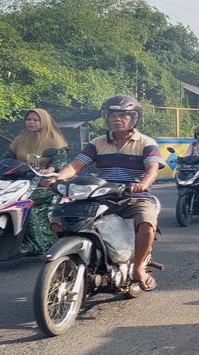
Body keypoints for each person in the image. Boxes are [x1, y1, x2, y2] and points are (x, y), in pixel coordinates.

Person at [44, 95, 164, 291]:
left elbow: (152, 169)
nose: (118, 118)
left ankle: (139, 267)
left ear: (134, 118)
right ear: (106, 118)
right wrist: (58, 178)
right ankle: (67, 262)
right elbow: (76, 165)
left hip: (133, 196)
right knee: (60, 219)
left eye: (124, 115)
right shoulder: (97, 142)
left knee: (146, 223)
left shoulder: (145, 142)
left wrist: (142, 184)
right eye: (112, 114)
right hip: (100, 195)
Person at [0, 108, 68, 255]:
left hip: (46, 184)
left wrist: (50, 169)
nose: (31, 122)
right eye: (29, 119)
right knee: (2, 201)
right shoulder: (20, 139)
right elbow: (7, 157)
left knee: (26, 203)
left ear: (44, 121)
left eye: (36, 120)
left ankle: (37, 244)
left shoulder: (55, 140)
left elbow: (60, 161)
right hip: (20, 181)